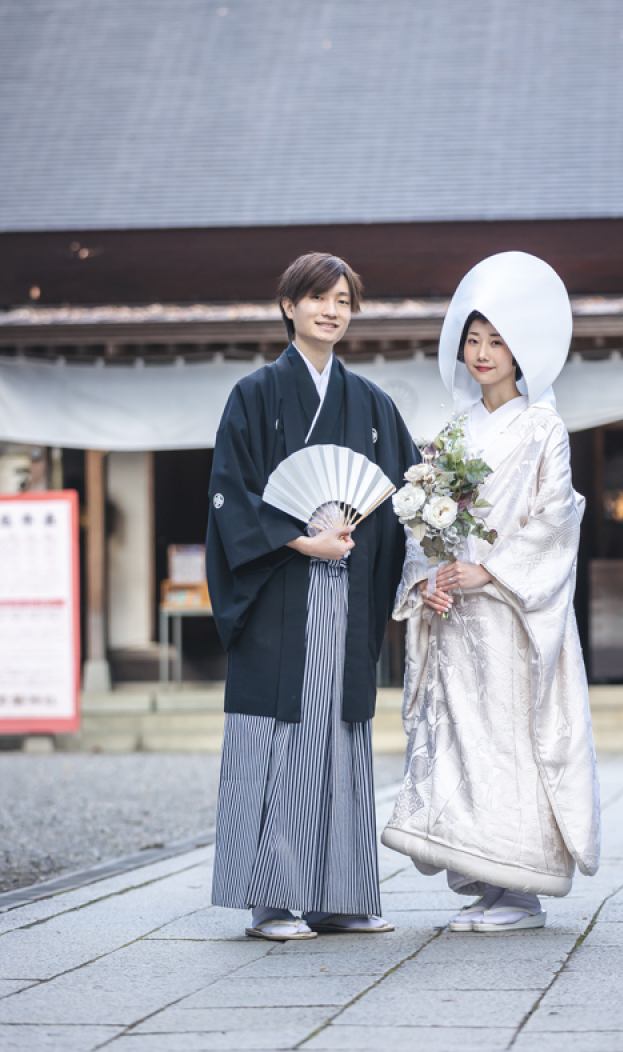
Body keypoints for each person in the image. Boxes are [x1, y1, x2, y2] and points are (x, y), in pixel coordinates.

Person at [382, 251, 601, 932]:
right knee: (463, 742)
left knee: (510, 738)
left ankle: (523, 891)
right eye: (473, 339)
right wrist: (429, 580)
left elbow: (556, 517)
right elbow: (424, 525)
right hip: (458, 619)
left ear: (520, 350)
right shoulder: (450, 431)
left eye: (497, 341)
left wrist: (491, 570)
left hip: (510, 615)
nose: (482, 353)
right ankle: (486, 879)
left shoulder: (543, 428)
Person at [207, 252, 418, 941]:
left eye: (344, 300)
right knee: (281, 732)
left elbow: (405, 496)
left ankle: (339, 894)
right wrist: (302, 539)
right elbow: (230, 497)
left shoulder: (374, 405)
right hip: (280, 594)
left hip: (348, 592)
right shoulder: (256, 395)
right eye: (319, 298)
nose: (332, 310)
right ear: (289, 306)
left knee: (340, 733)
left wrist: (427, 554)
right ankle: (272, 898)